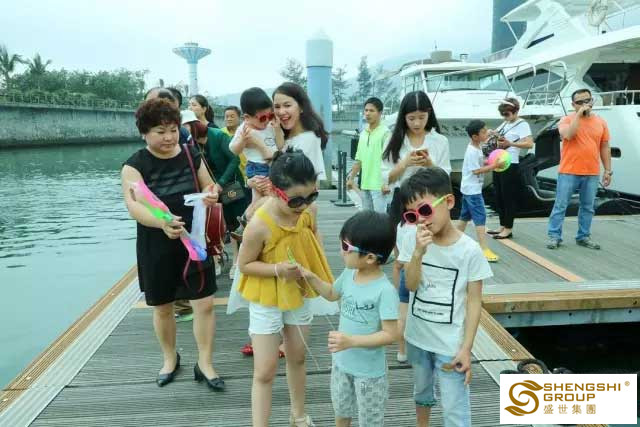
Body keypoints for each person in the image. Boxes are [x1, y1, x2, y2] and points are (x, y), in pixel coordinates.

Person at [121, 98, 225, 391]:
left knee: (204, 303)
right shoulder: (134, 165)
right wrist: (162, 223)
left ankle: (205, 362)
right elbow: (134, 206)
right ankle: (170, 358)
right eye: (160, 131)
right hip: (157, 241)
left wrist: (211, 194)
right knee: (163, 306)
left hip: (194, 237)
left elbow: (209, 184)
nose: (168, 137)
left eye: (173, 130)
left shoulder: (191, 153)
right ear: (144, 133)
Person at [236, 149, 333, 427]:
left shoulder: (308, 210)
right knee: (265, 368)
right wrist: (277, 269)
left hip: (298, 289)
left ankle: (298, 415)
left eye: (312, 196)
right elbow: (244, 265)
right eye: (296, 200)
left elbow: (313, 232)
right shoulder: (259, 225)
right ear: (275, 191)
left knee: (297, 355)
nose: (304, 205)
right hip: (266, 294)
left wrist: (315, 260)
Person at [397, 167, 492, 427]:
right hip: (417, 337)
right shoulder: (412, 238)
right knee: (422, 393)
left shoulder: (469, 251)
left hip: (450, 345)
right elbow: (411, 286)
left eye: (425, 210)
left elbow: (474, 301)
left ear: (449, 201)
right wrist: (418, 253)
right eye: (412, 215)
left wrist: (466, 348)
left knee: (454, 409)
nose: (421, 220)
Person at [298, 210, 399, 427]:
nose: (341, 251)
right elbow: (332, 293)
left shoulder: (385, 291)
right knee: (341, 411)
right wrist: (310, 277)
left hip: (369, 373)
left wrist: (351, 341)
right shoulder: (348, 274)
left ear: (370, 258)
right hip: (342, 363)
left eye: (346, 247)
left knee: (370, 420)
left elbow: (391, 334)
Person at [381, 90, 452, 362]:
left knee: (431, 252)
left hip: (431, 203)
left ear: (429, 115)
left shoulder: (439, 140)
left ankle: (425, 299)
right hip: (403, 202)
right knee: (403, 256)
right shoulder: (394, 139)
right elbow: (385, 178)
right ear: (404, 117)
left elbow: (445, 177)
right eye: (411, 118)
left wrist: (430, 163)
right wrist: (406, 162)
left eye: (422, 117)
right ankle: (403, 298)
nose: (417, 123)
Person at [547, 88, 612, 250]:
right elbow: (569, 135)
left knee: (588, 207)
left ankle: (583, 236)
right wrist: (578, 115)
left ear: (592, 101)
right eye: (580, 102)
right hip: (569, 171)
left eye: (587, 100)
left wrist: (607, 170)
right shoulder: (566, 120)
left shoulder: (601, 122)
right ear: (573, 105)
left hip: (592, 172)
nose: (584, 104)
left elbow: (604, 146)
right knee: (560, 205)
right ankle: (554, 236)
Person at [191, 120, 249, 280]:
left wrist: (221, 183)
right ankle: (216, 260)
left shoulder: (218, 136)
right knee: (211, 224)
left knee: (235, 223)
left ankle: (236, 261)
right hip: (209, 188)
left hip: (230, 185)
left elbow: (235, 160)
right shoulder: (190, 142)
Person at [229, 87, 285, 220]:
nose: (267, 121)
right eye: (262, 118)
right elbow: (233, 150)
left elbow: (280, 146)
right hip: (257, 168)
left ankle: (246, 221)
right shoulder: (244, 129)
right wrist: (242, 141)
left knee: (259, 201)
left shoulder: (270, 126)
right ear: (247, 117)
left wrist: (277, 129)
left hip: (273, 166)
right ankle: (249, 221)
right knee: (268, 199)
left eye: (270, 116)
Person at [487, 97, 533, 239]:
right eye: (503, 114)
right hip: (498, 161)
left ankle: (508, 228)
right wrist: (493, 133)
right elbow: (498, 134)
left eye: (507, 114)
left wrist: (511, 144)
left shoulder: (522, 124)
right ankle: (502, 225)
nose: (505, 117)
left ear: (516, 111)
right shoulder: (506, 122)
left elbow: (529, 144)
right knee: (499, 195)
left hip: (510, 163)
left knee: (508, 197)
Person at [457, 120, 503, 262]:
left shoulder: (476, 146)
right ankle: (484, 249)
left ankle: (452, 242)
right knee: (480, 219)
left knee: (464, 217)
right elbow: (476, 170)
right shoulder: (472, 151)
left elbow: (479, 163)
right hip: (473, 191)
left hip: (468, 189)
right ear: (475, 136)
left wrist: (490, 162)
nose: (486, 133)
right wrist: (494, 166)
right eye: (483, 132)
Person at [273, 82, 328, 182]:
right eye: (277, 107)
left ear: (301, 107)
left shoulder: (309, 139)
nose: (281, 112)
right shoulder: (278, 135)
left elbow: (309, 184)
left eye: (287, 105)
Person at [346, 97, 391, 213]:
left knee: (380, 219)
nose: (367, 113)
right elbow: (359, 160)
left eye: (371, 110)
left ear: (380, 113)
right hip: (365, 183)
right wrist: (351, 178)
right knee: (367, 218)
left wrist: (386, 183)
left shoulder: (385, 133)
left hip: (379, 186)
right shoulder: (363, 133)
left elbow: (389, 161)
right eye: (366, 110)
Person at [222, 106, 247, 181]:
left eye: (232, 116)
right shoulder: (221, 133)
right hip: (228, 174)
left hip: (246, 172)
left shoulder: (245, 132)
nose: (229, 119)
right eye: (226, 117)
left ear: (239, 117)